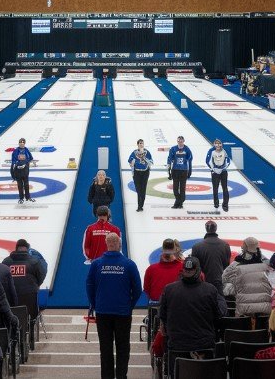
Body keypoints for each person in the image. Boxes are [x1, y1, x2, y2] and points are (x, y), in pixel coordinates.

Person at [86, 233, 141, 379]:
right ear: (119, 244)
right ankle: (121, 376)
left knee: (105, 348)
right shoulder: (129, 264)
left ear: (106, 244)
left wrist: (95, 304)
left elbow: (89, 286)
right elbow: (137, 289)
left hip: (103, 311)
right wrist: (130, 305)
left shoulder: (96, 264)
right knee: (123, 348)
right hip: (123, 312)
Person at [159, 256, 226, 367]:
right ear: (199, 271)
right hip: (204, 348)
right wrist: (221, 299)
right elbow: (219, 315)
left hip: (177, 347)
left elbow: (162, 317)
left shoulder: (169, 289)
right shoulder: (210, 290)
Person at [222, 237, 272, 317]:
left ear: (244, 248)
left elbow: (224, 279)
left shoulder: (236, 264)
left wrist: (236, 288)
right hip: (264, 312)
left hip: (244, 311)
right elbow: (272, 285)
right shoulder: (266, 265)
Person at [2, 239, 47, 312]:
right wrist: (36, 285)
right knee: (31, 317)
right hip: (30, 295)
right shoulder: (34, 261)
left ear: (16, 248)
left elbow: (2, 278)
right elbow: (41, 276)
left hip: (11, 296)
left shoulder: (6, 262)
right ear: (27, 248)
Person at [191, 220, 232, 295]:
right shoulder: (225, 245)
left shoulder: (197, 246)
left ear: (206, 229)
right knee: (218, 303)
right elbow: (226, 265)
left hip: (202, 283)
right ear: (216, 229)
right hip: (219, 282)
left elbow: (194, 267)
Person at [166, 136, 193, 209]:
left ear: (183, 141)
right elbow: (169, 158)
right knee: (175, 188)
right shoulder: (173, 148)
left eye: (181, 140)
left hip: (184, 170)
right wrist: (169, 165)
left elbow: (190, 157)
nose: (180, 141)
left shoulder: (187, 149)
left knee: (182, 188)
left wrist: (186, 162)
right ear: (177, 141)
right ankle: (179, 200)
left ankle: (178, 203)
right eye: (179, 140)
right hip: (175, 170)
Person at [205, 139, 231, 211]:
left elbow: (228, 161)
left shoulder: (224, 151)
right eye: (216, 143)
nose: (218, 145)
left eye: (219, 143)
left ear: (221, 144)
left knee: (225, 188)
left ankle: (225, 205)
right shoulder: (211, 151)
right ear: (214, 144)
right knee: (215, 188)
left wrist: (223, 168)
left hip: (223, 172)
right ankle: (216, 203)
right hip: (215, 172)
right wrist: (213, 170)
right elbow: (208, 161)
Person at [128, 139, 152, 212]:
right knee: (138, 189)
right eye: (140, 143)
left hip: (145, 172)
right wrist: (132, 162)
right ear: (137, 144)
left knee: (143, 189)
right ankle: (140, 205)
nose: (141, 144)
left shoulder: (147, 152)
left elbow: (151, 162)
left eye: (142, 143)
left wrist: (144, 158)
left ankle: (140, 206)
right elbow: (129, 161)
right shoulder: (134, 152)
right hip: (137, 173)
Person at [10, 138, 34, 204]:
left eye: (23, 142)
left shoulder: (26, 150)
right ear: (19, 143)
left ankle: (28, 197)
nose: (22, 143)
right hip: (18, 171)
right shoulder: (15, 151)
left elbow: (31, 158)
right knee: (20, 185)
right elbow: (13, 160)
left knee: (26, 184)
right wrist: (17, 164)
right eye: (20, 142)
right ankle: (21, 198)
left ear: (24, 143)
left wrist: (25, 163)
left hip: (25, 170)